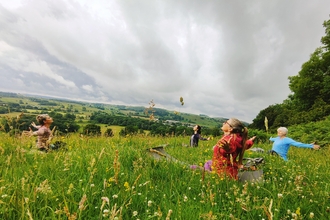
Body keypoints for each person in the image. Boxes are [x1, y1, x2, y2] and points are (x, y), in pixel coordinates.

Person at [191, 118, 255, 180]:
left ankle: (210, 175)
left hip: (222, 173)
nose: (223, 123)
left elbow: (231, 147)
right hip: (229, 169)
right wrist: (251, 141)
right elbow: (246, 144)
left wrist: (228, 149)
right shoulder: (239, 138)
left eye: (226, 122)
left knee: (192, 167)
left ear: (230, 129)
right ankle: (209, 173)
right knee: (208, 162)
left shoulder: (229, 139)